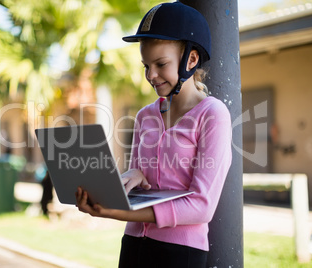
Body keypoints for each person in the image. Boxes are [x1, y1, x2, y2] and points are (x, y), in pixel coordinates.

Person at [75, 2, 232, 267]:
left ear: (191, 60)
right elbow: (143, 180)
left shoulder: (212, 114)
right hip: (133, 245)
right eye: (146, 65)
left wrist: (118, 212)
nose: (151, 75)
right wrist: (132, 177)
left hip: (180, 252)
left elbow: (202, 205)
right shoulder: (144, 116)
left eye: (160, 64)